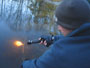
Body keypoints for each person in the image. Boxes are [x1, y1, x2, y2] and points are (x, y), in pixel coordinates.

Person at [22, 0, 90, 68]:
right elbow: (75, 39)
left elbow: (34, 66)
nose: (58, 28)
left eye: (59, 23)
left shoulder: (61, 53)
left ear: (69, 26)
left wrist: (23, 62)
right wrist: (52, 39)